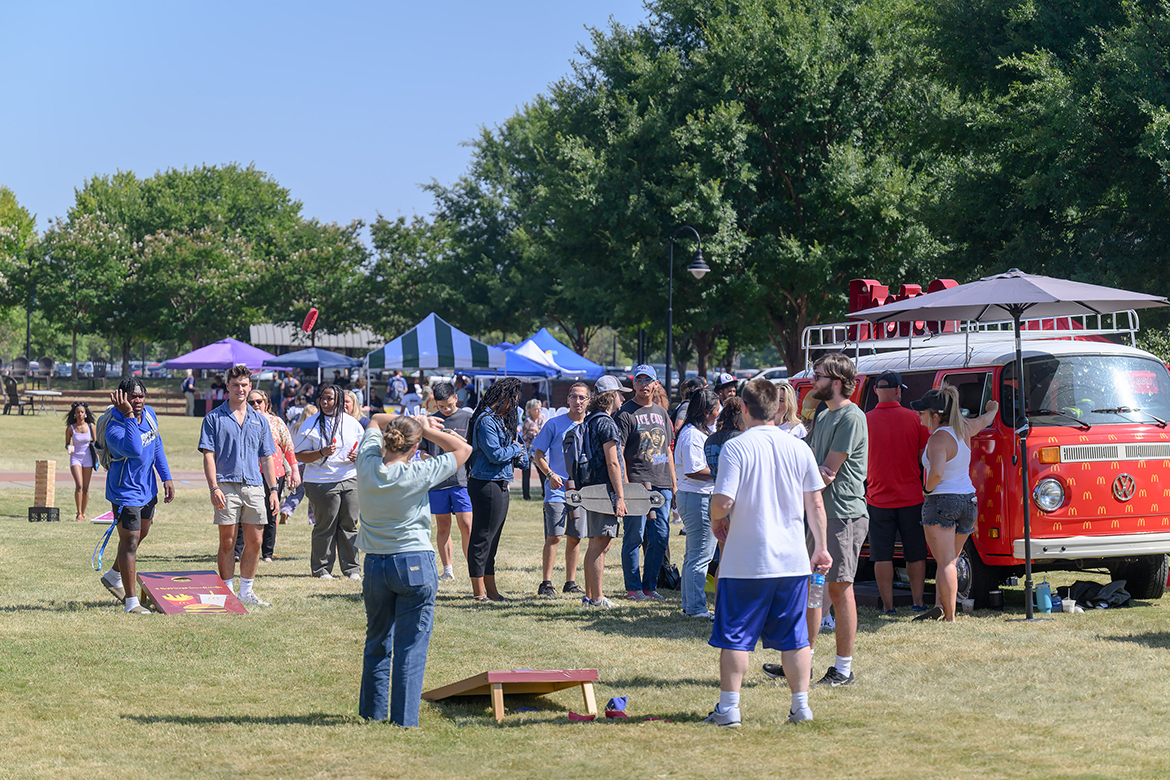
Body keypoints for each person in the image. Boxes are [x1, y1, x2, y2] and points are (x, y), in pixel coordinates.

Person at [702, 378, 830, 728]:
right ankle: (800, 706)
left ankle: (729, 709)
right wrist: (820, 547)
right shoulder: (799, 448)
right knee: (795, 638)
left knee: (736, 638)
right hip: (791, 561)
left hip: (746, 561)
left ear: (743, 408)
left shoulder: (737, 447)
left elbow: (724, 500)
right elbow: (816, 503)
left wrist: (716, 519)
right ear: (777, 407)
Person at [356, 412, 472, 727]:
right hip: (413, 563)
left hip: (375, 563)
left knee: (377, 641)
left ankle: (372, 713)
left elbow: (375, 420)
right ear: (415, 445)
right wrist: (426, 428)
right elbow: (463, 450)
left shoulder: (367, 463)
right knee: (411, 646)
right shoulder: (419, 471)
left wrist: (408, 420)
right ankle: (404, 720)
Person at [766, 353, 866, 687]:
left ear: (836, 382)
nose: (813, 380)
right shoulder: (824, 415)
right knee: (813, 589)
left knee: (839, 590)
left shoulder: (851, 417)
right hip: (820, 514)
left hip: (843, 514)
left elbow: (826, 473)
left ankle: (843, 669)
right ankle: (802, 660)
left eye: (818, 375)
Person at [911, 385, 998, 622]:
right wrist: (993, 408)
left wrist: (926, 489)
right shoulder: (964, 429)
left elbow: (936, 472)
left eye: (923, 412)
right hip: (967, 500)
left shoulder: (938, 438)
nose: (920, 415)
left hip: (941, 500)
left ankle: (949, 617)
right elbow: (985, 419)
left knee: (946, 561)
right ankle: (941, 606)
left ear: (936, 415)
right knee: (949, 559)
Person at [198, 364, 280, 606]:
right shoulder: (214, 418)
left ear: (250, 386)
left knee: (255, 541)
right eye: (235, 385)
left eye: (244, 385)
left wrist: (273, 490)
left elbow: (267, 457)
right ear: (228, 387)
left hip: (255, 485)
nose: (240, 389)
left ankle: (246, 591)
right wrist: (213, 487)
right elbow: (208, 455)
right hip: (226, 484)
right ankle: (226, 592)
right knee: (227, 541)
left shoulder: (260, 420)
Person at [98, 378, 175, 614]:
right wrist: (129, 415)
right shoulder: (114, 426)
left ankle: (113, 575)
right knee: (129, 541)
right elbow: (133, 449)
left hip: (147, 489)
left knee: (140, 534)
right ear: (121, 398)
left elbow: (156, 443)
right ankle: (132, 603)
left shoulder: (149, 414)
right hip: (125, 493)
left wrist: (166, 476)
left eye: (141, 396)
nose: (138, 400)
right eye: (132, 396)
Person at [865, 370, 931, 615]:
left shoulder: (865, 420)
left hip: (878, 497)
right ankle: (917, 602)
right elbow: (926, 456)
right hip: (911, 496)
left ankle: (888, 607)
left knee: (881, 555)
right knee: (914, 552)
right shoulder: (915, 418)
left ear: (875, 391)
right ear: (897, 390)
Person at [615, 364, 677, 601]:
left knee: (660, 537)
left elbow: (668, 451)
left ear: (655, 384)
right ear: (634, 384)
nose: (643, 385)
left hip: (662, 483)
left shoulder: (662, 413)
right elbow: (619, 452)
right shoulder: (625, 413)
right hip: (638, 483)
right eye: (638, 380)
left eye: (647, 380)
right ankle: (633, 588)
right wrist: (626, 484)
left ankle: (650, 587)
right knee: (634, 537)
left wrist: (674, 483)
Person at [295, 384, 365, 580]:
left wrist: (357, 456)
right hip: (321, 481)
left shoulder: (352, 424)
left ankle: (352, 569)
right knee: (326, 525)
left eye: (330, 399)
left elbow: (367, 449)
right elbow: (299, 455)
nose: (325, 402)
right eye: (323, 398)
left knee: (350, 523)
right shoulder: (311, 424)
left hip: (349, 478)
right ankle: (322, 569)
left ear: (340, 401)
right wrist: (320, 453)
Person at [465, 377, 526, 602]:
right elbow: (495, 455)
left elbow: (519, 454)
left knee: (493, 540)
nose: (516, 403)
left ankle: (491, 590)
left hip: (500, 483)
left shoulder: (503, 421)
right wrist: (515, 448)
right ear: (503, 397)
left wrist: (519, 451)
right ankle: (479, 592)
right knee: (482, 538)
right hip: (486, 484)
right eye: (514, 398)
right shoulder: (486, 421)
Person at [532, 381, 590, 598]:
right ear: (567, 400)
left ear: (588, 401)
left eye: (582, 397)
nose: (577, 401)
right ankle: (546, 583)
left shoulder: (591, 425)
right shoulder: (554, 424)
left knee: (575, 537)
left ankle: (570, 582)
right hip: (557, 488)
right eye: (574, 396)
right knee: (555, 536)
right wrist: (550, 475)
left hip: (581, 491)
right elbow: (538, 454)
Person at [580, 375, 632, 607]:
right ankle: (597, 598)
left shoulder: (591, 419)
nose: (622, 397)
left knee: (598, 542)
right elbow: (613, 463)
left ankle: (591, 596)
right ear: (611, 396)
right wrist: (620, 496)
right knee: (599, 543)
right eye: (620, 393)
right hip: (604, 491)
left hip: (593, 487)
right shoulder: (607, 423)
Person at [233, 391, 300, 564]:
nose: (256, 405)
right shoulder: (241, 421)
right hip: (248, 473)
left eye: (259, 401)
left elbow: (288, 447)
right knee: (245, 512)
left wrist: (294, 470)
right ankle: (238, 551)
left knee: (272, 512)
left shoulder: (276, 422)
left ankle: (267, 553)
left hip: (274, 473)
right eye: (251, 402)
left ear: (267, 403)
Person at [675, 388, 721, 618]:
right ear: (706, 411)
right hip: (698, 498)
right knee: (701, 556)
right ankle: (695, 608)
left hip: (697, 497)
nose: (719, 412)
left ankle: (690, 605)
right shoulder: (692, 435)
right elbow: (694, 470)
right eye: (716, 408)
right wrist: (722, 472)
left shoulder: (697, 432)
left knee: (695, 555)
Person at [421, 381, 473, 581]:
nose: (445, 410)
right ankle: (447, 570)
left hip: (462, 481)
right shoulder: (430, 420)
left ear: (456, 398)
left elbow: (473, 447)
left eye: (449, 405)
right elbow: (423, 449)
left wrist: (458, 439)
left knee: (467, 525)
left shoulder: (468, 417)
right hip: (438, 482)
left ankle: (472, 569)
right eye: (441, 407)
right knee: (443, 525)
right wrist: (426, 458)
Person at [65, 402, 96, 522]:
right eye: (77, 412)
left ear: (86, 414)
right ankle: (78, 513)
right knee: (79, 485)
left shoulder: (91, 426)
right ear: (74, 414)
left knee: (86, 487)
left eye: (82, 412)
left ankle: (84, 512)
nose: (79, 414)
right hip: (76, 457)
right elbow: (67, 443)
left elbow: (95, 443)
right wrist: (69, 447)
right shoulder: (70, 428)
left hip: (88, 457)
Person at [521, 398, 546, 501]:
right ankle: (526, 495)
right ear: (530, 411)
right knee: (526, 473)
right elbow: (529, 434)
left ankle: (545, 492)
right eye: (536, 409)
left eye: (539, 409)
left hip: (538, 449)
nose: (539, 411)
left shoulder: (542, 418)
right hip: (528, 449)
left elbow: (543, 432)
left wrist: (538, 431)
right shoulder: (528, 421)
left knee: (542, 471)